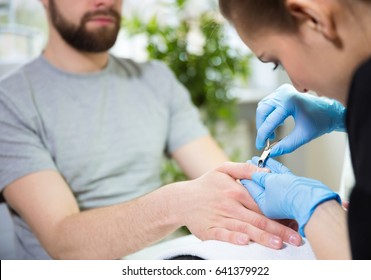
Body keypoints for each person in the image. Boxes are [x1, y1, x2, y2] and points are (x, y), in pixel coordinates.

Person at [0, 0, 302, 259]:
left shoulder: (155, 80)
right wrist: (176, 204)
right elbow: (63, 243)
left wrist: (288, 203)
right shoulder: (10, 102)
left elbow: (224, 178)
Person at [219, 0, 371, 259]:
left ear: (311, 17)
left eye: (277, 61)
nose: (298, 86)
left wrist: (312, 206)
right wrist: (342, 116)